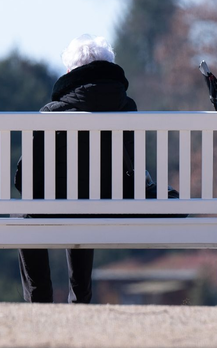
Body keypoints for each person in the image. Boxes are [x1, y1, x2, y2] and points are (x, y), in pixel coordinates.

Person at [14, 34, 151, 303]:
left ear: (70, 73)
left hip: (62, 203)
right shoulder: (128, 108)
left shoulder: (52, 112)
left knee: (24, 211)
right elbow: (133, 165)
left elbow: (26, 179)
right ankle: (81, 298)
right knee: (86, 199)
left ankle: (39, 299)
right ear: (109, 68)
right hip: (116, 204)